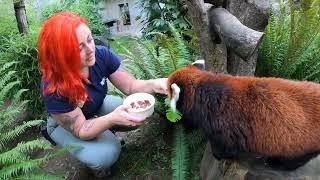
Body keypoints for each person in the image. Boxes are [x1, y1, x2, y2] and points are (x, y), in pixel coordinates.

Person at [38, 12, 168, 178]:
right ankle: (97, 158)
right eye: (79, 48)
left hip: (94, 106)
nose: (90, 49)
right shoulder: (53, 85)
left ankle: (102, 132)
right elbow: (81, 128)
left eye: (90, 39)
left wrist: (156, 84)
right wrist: (112, 119)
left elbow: (131, 85)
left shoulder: (101, 55)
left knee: (133, 113)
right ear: (61, 54)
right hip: (68, 125)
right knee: (106, 154)